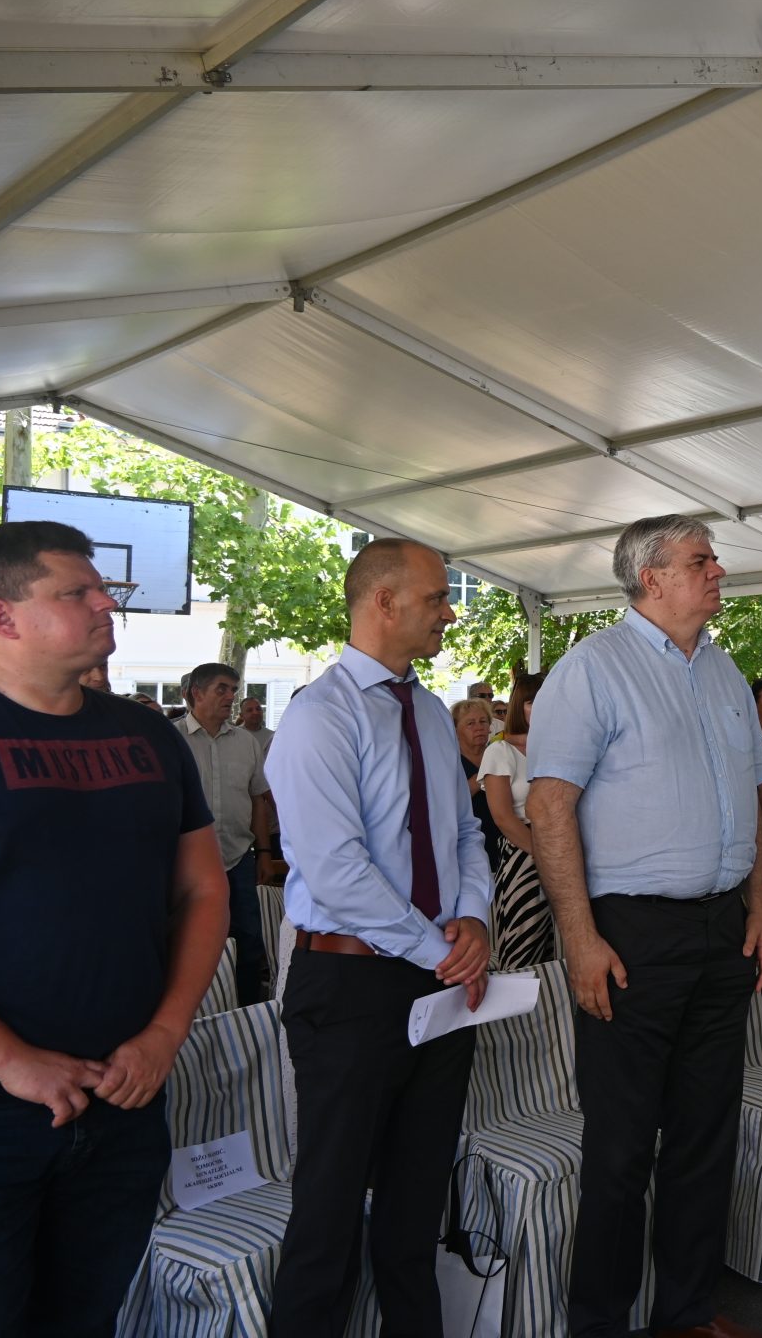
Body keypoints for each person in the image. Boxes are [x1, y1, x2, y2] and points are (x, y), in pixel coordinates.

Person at [0, 521, 227, 1336]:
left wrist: (164, 1035)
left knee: (86, 1321)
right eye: (77, 592)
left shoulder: (146, 735)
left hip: (123, 1094)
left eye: (104, 589)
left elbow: (204, 891)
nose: (105, 604)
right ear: (2, 616)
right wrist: (10, 1062)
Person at [527, 515, 762, 1338]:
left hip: (721, 927)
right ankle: (600, 1324)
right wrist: (580, 938)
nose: (719, 571)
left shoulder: (724, 670)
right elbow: (549, 808)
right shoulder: (591, 669)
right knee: (623, 1146)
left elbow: (753, 802)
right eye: (701, 561)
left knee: (707, 1135)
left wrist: (759, 907)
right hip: (629, 934)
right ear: (651, 577)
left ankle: (688, 1311)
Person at [267, 537, 495, 1336]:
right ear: (384, 602)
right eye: (437, 597)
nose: (449, 612)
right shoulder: (320, 715)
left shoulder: (429, 711)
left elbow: (463, 833)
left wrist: (473, 918)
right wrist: (443, 949)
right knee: (329, 1207)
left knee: (416, 1201)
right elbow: (336, 871)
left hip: (435, 977)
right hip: (352, 984)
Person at [180, 661, 276, 1007]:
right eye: (222, 689)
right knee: (189, 942)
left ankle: (246, 1013)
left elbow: (258, 800)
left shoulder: (246, 742)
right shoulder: (172, 739)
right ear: (197, 692)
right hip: (186, 864)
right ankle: (196, 1014)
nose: (230, 697)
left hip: (238, 859)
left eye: (234, 690)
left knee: (248, 941)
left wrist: (264, 853)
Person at [484, 669, 552, 967]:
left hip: (561, 844)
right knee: (523, 944)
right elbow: (503, 817)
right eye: (531, 702)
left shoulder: (556, 747)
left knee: (556, 945)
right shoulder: (500, 751)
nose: (541, 707)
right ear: (518, 707)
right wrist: (544, 853)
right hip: (523, 853)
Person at [451, 696, 502, 870]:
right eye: (470, 723)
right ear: (455, 729)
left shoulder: (500, 757)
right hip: (467, 848)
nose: (479, 727)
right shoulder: (449, 762)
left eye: (483, 721)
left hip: (503, 844)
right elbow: (445, 804)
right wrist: (478, 782)